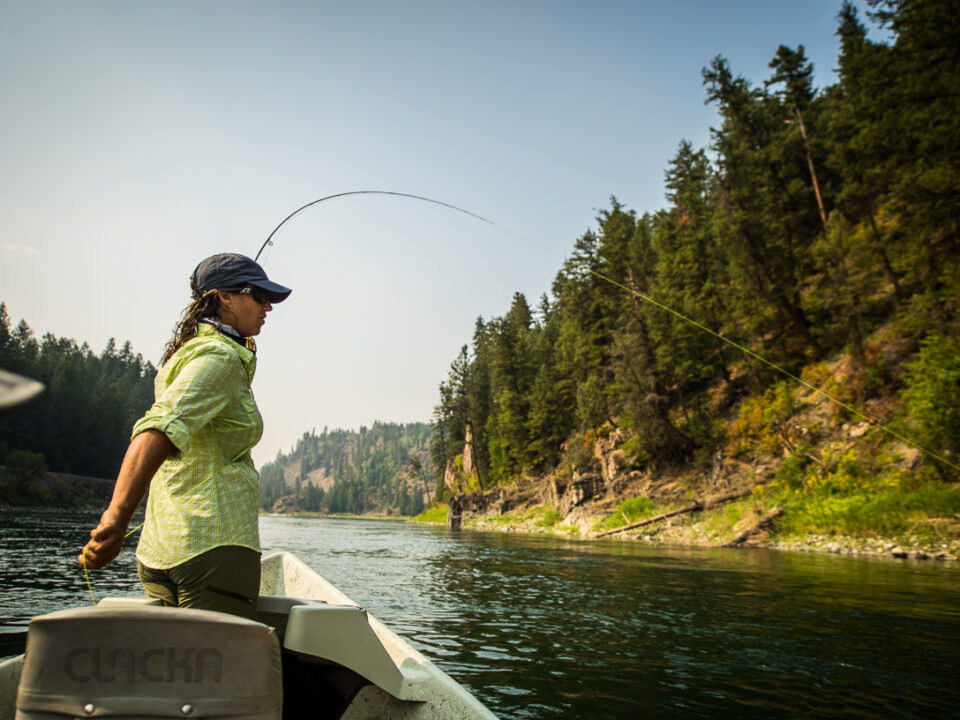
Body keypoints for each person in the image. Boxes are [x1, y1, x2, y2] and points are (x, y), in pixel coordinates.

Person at [78, 253, 291, 619]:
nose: (268, 306)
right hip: (213, 546)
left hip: (162, 550)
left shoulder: (186, 354)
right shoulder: (219, 358)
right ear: (225, 297)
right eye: (258, 295)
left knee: (176, 669)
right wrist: (115, 520)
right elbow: (158, 428)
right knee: (216, 668)